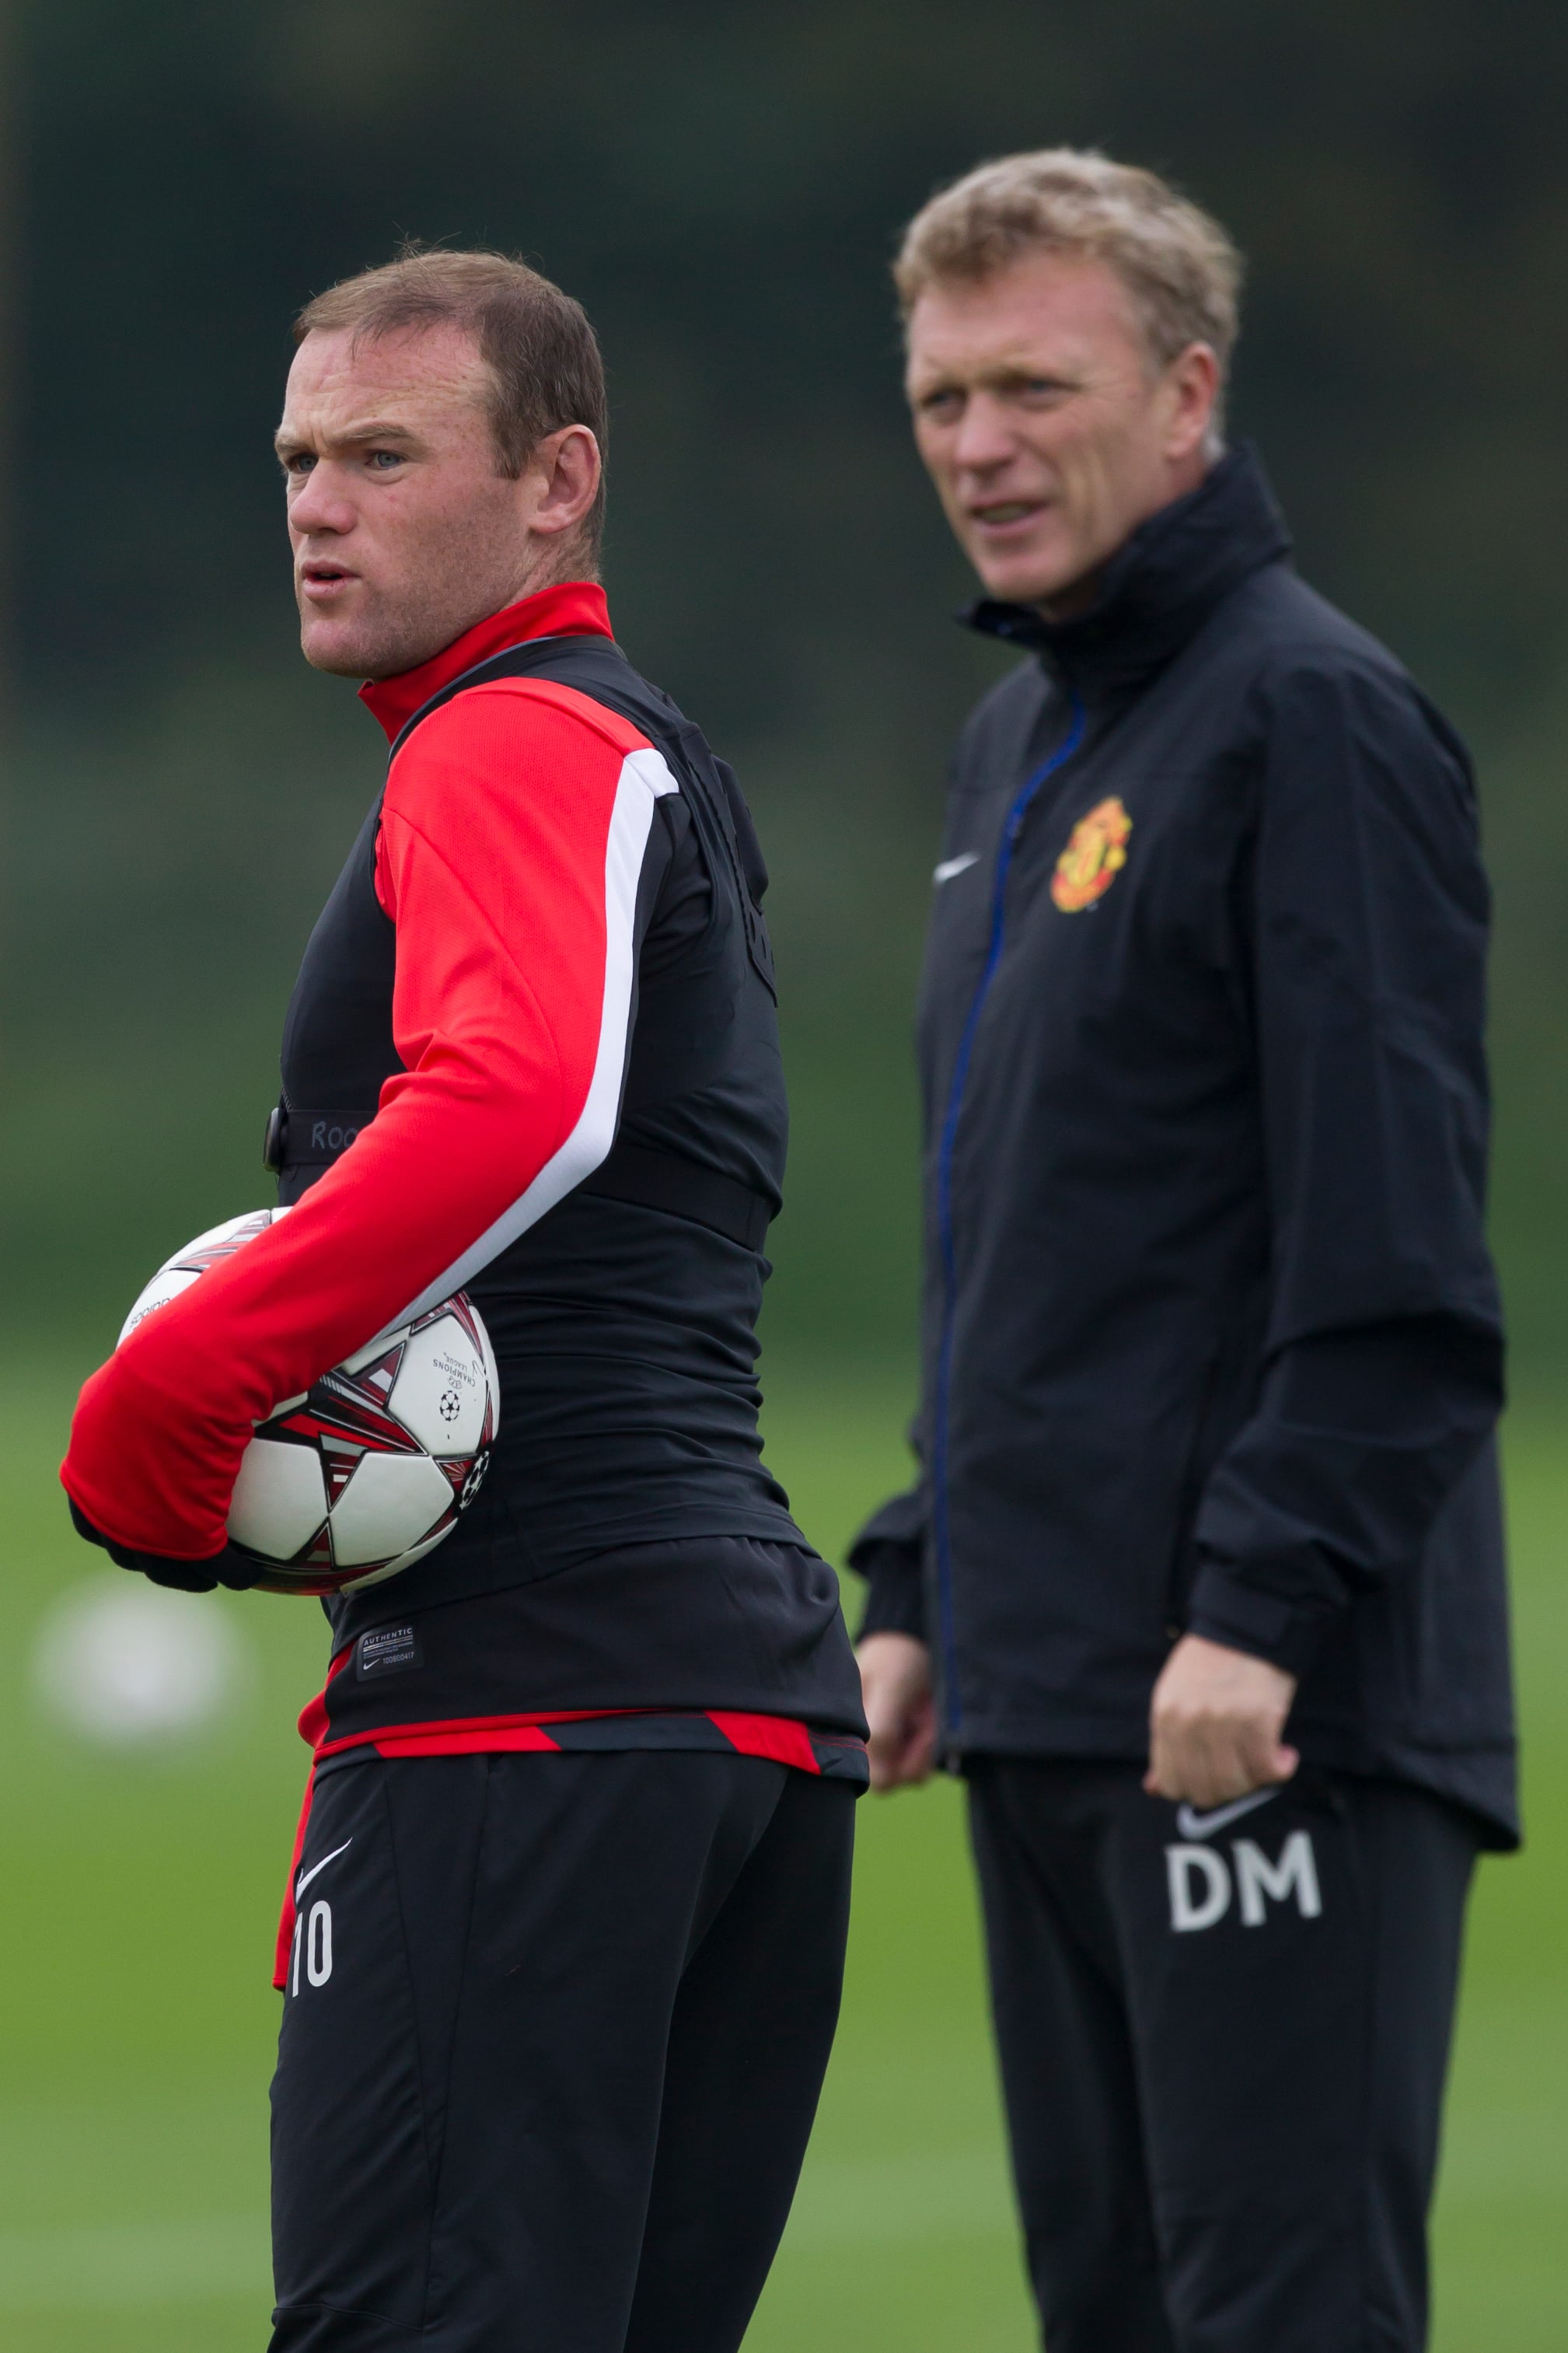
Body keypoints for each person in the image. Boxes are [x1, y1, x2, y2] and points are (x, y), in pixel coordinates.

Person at [61, 247, 868, 2353]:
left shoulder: (507, 734)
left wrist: (176, 1390)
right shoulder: (645, 756)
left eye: (384, 456)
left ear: (554, 483)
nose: (317, 506)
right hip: (724, 1706)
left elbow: (517, 1101)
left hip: (530, 1706)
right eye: (297, 461)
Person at [851, 150, 1512, 2353]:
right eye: (942, 398)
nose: (978, 445)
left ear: (1188, 395)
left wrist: (1258, 1611)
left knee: (1279, 2318)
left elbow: (1395, 1250)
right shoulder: (1019, 743)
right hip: (1047, 1695)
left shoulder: (1309, 716)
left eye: (1034, 388)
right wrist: (923, 1577)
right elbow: (1040, 1228)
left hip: (1256, 1707)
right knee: (1114, 2316)